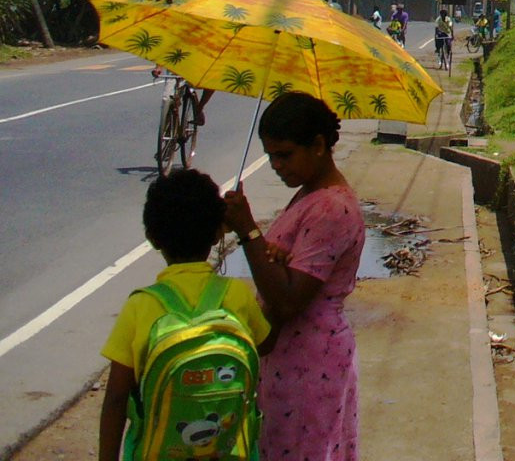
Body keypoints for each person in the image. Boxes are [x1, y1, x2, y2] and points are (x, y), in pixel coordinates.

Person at [224, 92, 366, 461]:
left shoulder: (332, 207)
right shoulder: (309, 195)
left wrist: (249, 232)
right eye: (270, 156)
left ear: (318, 145)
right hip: (289, 358)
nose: (276, 165)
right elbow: (292, 268)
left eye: (284, 155)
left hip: (310, 360)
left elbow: (288, 300)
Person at [99, 169, 269, 461]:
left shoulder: (141, 307)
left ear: (153, 238)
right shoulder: (236, 295)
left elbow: (116, 399)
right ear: (218, 233)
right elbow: (266, 344)